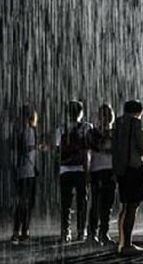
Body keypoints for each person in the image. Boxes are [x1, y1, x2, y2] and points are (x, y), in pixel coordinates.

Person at [112, 100, 143, 255]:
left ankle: (121, 243)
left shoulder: (118, 123)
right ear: (138, 112)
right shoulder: (135, 123)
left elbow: (115, 147)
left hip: (120, 170)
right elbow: (142, 149)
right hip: (133, 168)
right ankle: (127, 244)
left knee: (124, 207)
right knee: (132, 207)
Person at [55, 100, 92, 243]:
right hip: (82, 169)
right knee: (82, 202)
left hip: (65, 169)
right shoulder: (87, 127)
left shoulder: (61, 129)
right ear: (81, 113)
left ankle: (66, 232)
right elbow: (89, 148)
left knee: (66, 203)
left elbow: (58, 151)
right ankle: (81, 231)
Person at [11, 106, 48, 244]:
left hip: (26, 171)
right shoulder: (26, 131)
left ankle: (22, 231)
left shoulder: (23, 130)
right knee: (25, 203)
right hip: (25, 172)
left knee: (25, 203)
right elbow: (24, 148)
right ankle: (20, 231)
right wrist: (38, 147)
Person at [86, 103, 116, 246]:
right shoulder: (93, 132)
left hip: (110, 170)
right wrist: (108, 145)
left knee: (107, 204)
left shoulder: (115, 132)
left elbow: (113, 149)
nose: (106, 117)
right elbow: (96, 146)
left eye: (109, 114)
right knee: (96, 204)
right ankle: (92, 233)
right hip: (97, 170)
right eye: (104, 114)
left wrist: (106, 146)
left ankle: (104, 233)